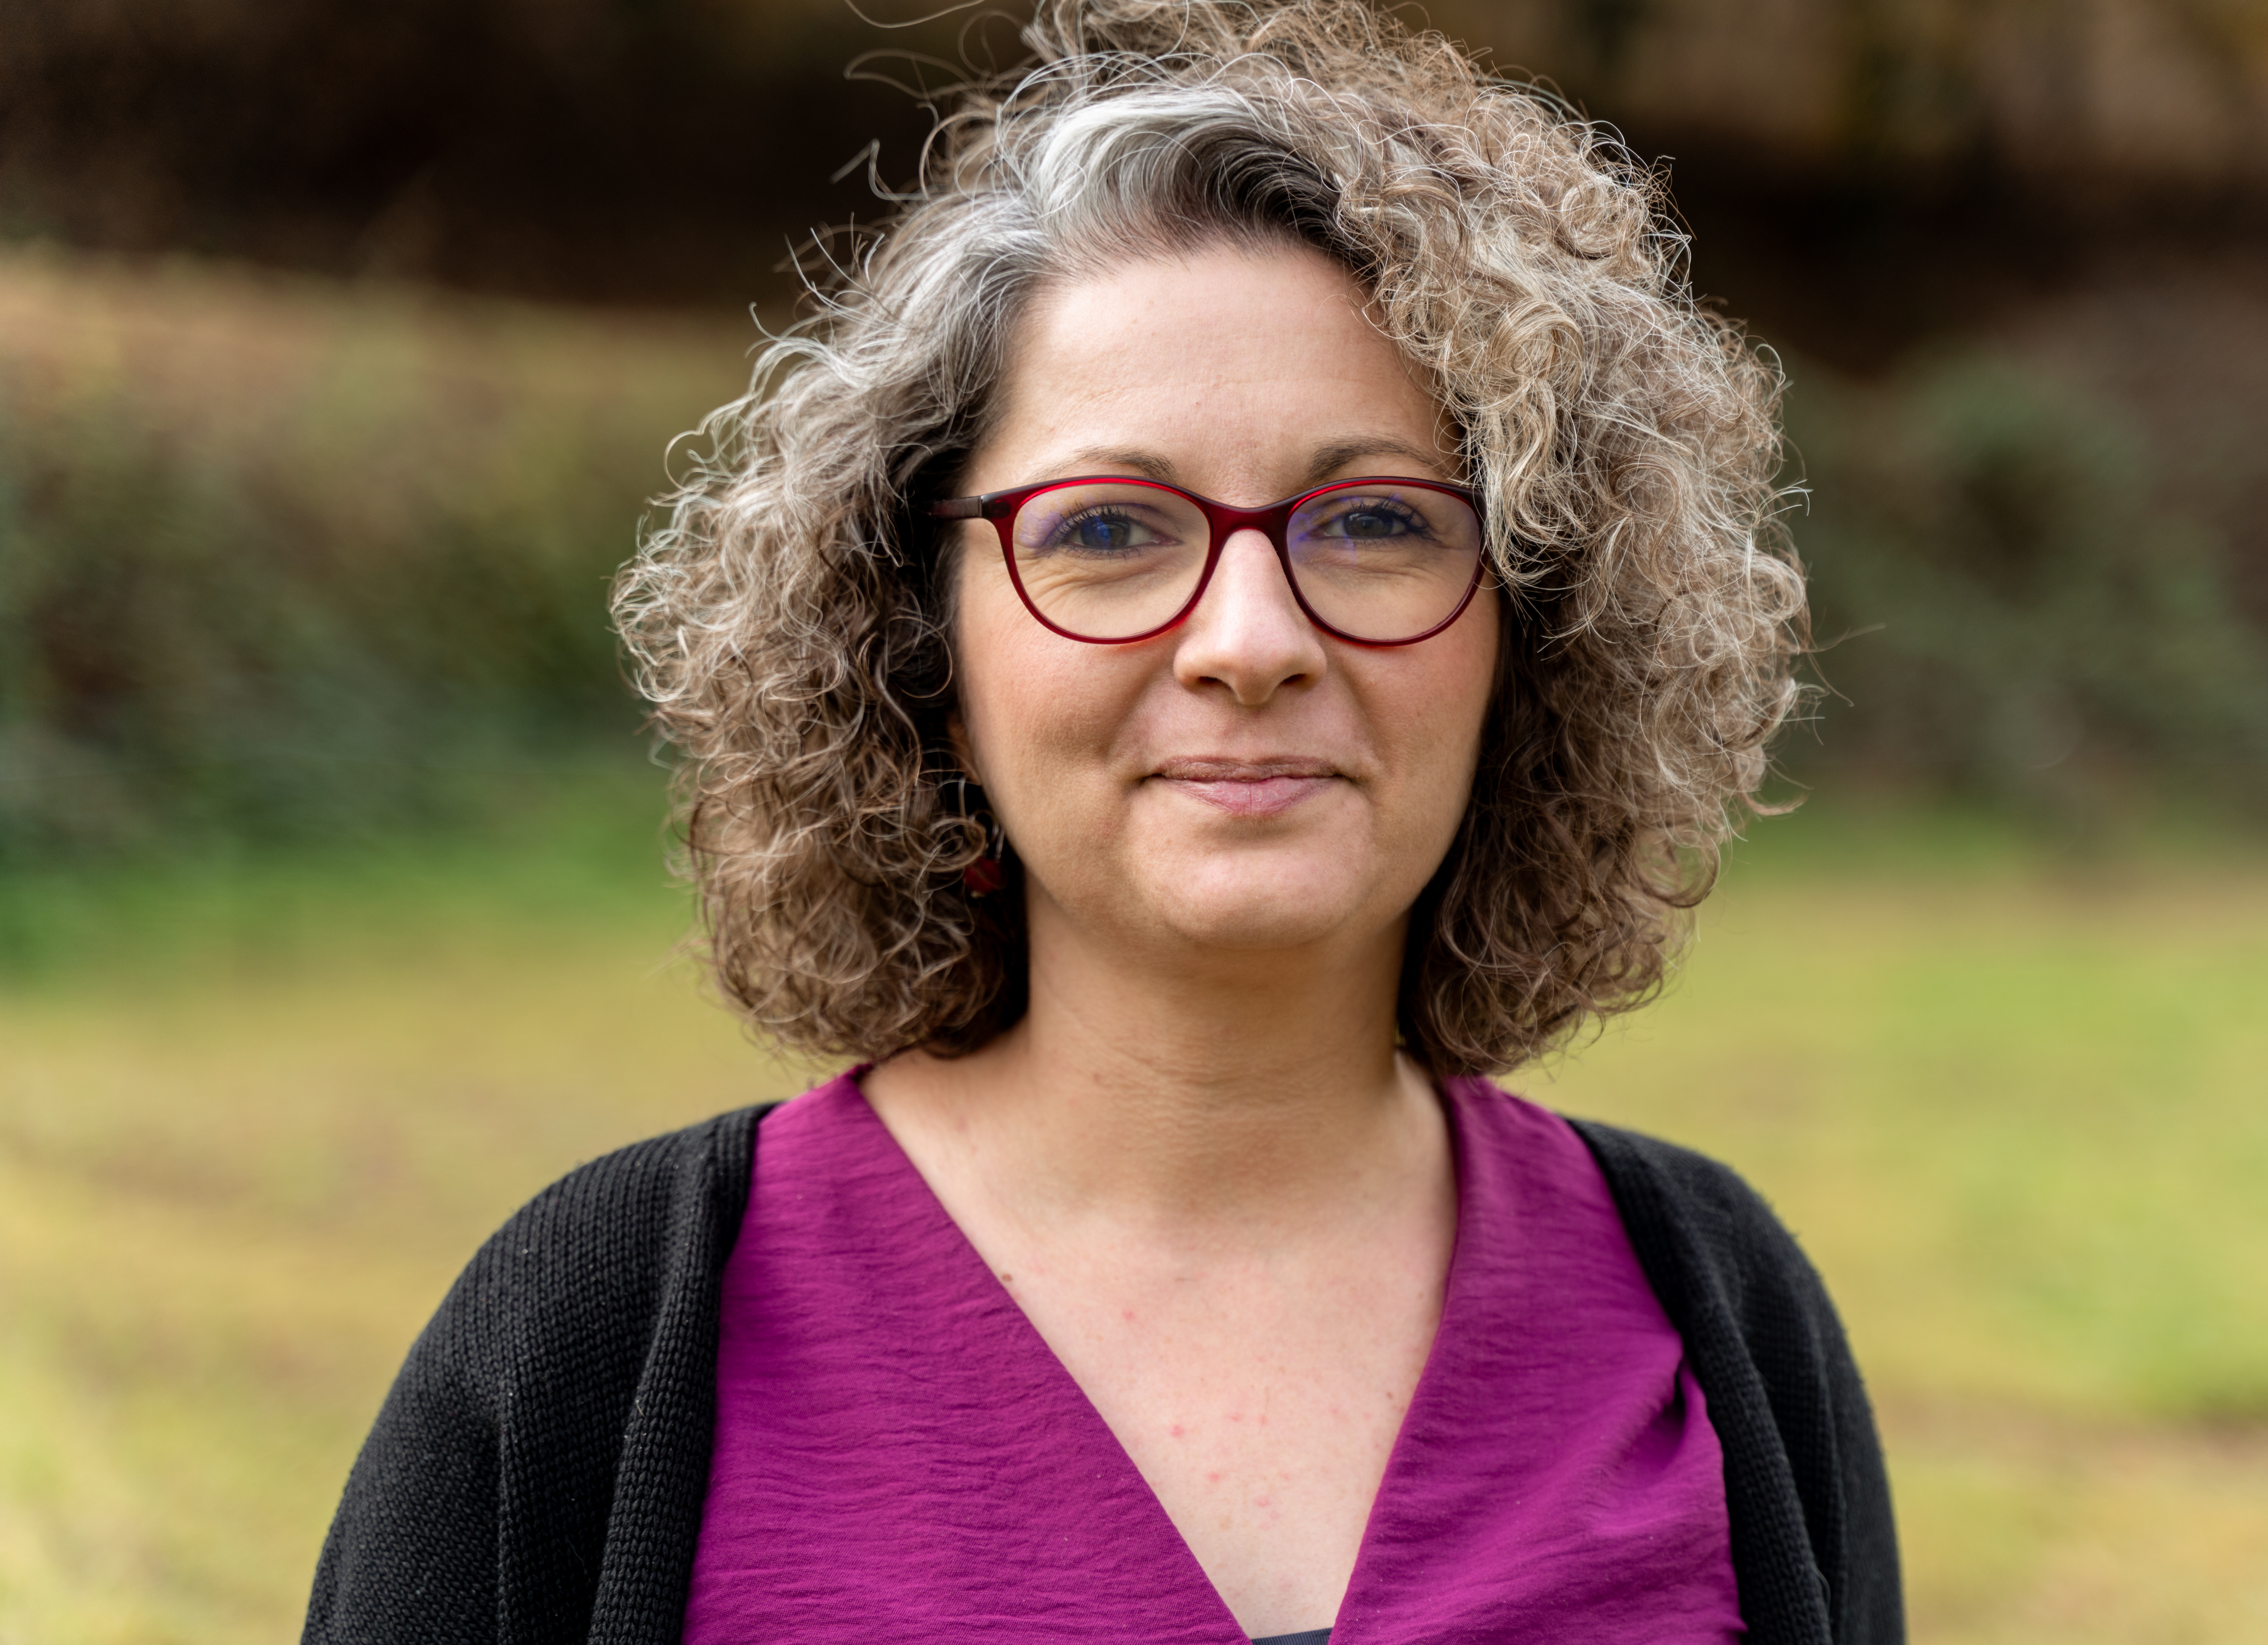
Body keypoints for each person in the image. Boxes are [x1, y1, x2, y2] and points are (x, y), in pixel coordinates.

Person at [303, 2, 1900, 1641]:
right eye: (1109, 530)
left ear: (1532, 626)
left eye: (1371, 521)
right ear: (921, 639)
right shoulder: (590, 1344)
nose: (1250, 641)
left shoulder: (1719, 1320)